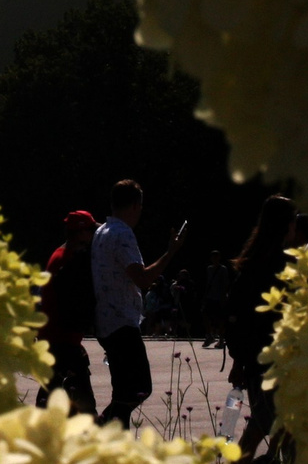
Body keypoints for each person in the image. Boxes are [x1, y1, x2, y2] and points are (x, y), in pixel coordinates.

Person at [92, 179, 185, 429]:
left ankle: (109, 433)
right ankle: (103, 426)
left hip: (106, 321)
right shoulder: (123, 233)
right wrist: (171, 252)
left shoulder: (101, 232)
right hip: (122, 322)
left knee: (124, 390)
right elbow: (143, 278)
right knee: (139, 388)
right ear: (135, 205)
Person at [227, 196, 298, 461]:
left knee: (259, 424)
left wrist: (239, 362)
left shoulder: (250, 263)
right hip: (282, 362)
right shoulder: (287, 265)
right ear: (287, 225)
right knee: (284, 429)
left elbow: (240, 319)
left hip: (256, 363)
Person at [35, 210, 99, 413]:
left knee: (52, 395)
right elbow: (70, 304)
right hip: (61, 341)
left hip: (57, 340)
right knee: (85, 406)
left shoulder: (63, 254)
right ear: (80, 233)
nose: (92, 235)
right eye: (90, 230)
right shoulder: (67, 261)